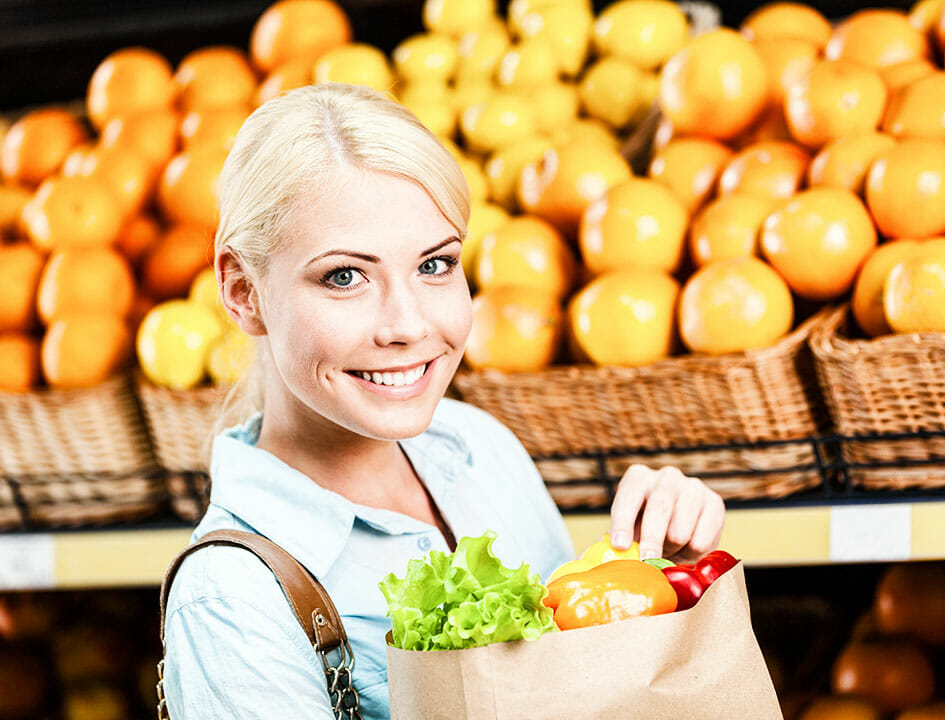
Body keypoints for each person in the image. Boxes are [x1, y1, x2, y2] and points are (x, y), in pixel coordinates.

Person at [162, 82, 726, 720]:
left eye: (435, 265)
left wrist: (660, 584)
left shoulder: (477, 446)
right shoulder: (232, 598)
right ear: (242, 292)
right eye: (344, 276)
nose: (408, 324)